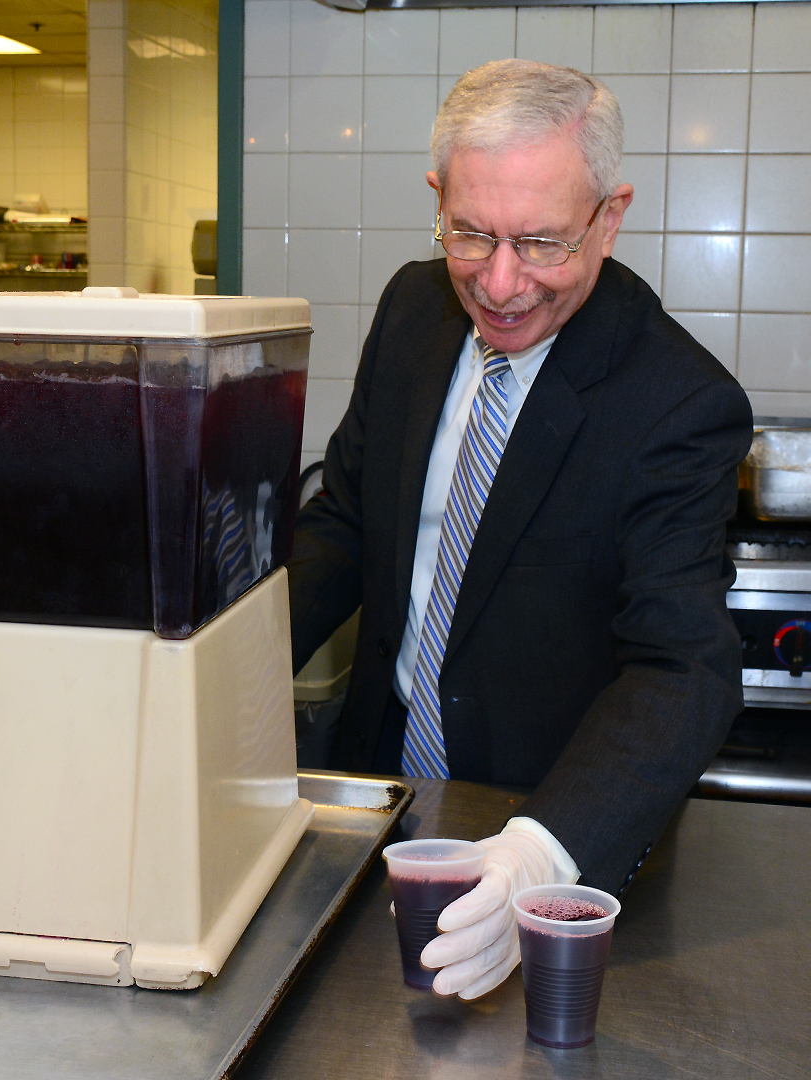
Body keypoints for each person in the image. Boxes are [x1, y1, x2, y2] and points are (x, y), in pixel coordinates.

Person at [287, 60, 752, 1000]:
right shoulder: (412, 312)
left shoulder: (678, 401)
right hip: (379, 790)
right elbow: (342, 521)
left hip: (543, 816)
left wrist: (543, 854)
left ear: (608, 217)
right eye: (472, 234)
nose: (500, 284)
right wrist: (213, 673)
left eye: (541, 244)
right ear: (439, 199)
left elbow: (682, 669)